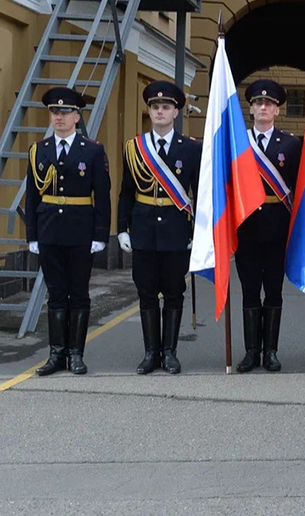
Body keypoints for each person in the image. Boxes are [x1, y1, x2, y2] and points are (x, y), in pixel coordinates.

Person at [117, 81, 201, 375]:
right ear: (149, 111)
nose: (160, 111)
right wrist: (122, 229)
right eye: (155, 107)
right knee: (147, 293)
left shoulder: (191, 148)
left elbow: (199, 192)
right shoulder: (134, 148)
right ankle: (151, 353)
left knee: (174, 291)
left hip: (177, 231)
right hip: (142, 229)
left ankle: (170, 353)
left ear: (176, 112)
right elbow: (126, 191)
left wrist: (197, 233)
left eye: (166, 107)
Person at [27, 87, 111, 376]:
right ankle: (56, 354)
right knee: (56, 294)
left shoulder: (93, 150)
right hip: (49, 230)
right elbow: (31, 196)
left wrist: (101, 234)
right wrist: (32, 235)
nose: (58, 117)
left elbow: (103, 195)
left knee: (79, 294)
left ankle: (76, 354)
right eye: (54, 112)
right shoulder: (39, 150)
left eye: (64, 112)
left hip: (80, 232)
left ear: (77, 116)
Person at [232, 79, 302, 373]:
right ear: (251, 109)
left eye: (269, 103)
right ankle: (251, 352)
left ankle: (270, 351)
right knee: (249, 291)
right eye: (258, 103)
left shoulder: (290, 144)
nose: (263, 107)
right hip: (246, 229)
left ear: (277, 110)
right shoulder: (238, 141)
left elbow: (299, 189)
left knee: (273, 291)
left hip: (277, 229)